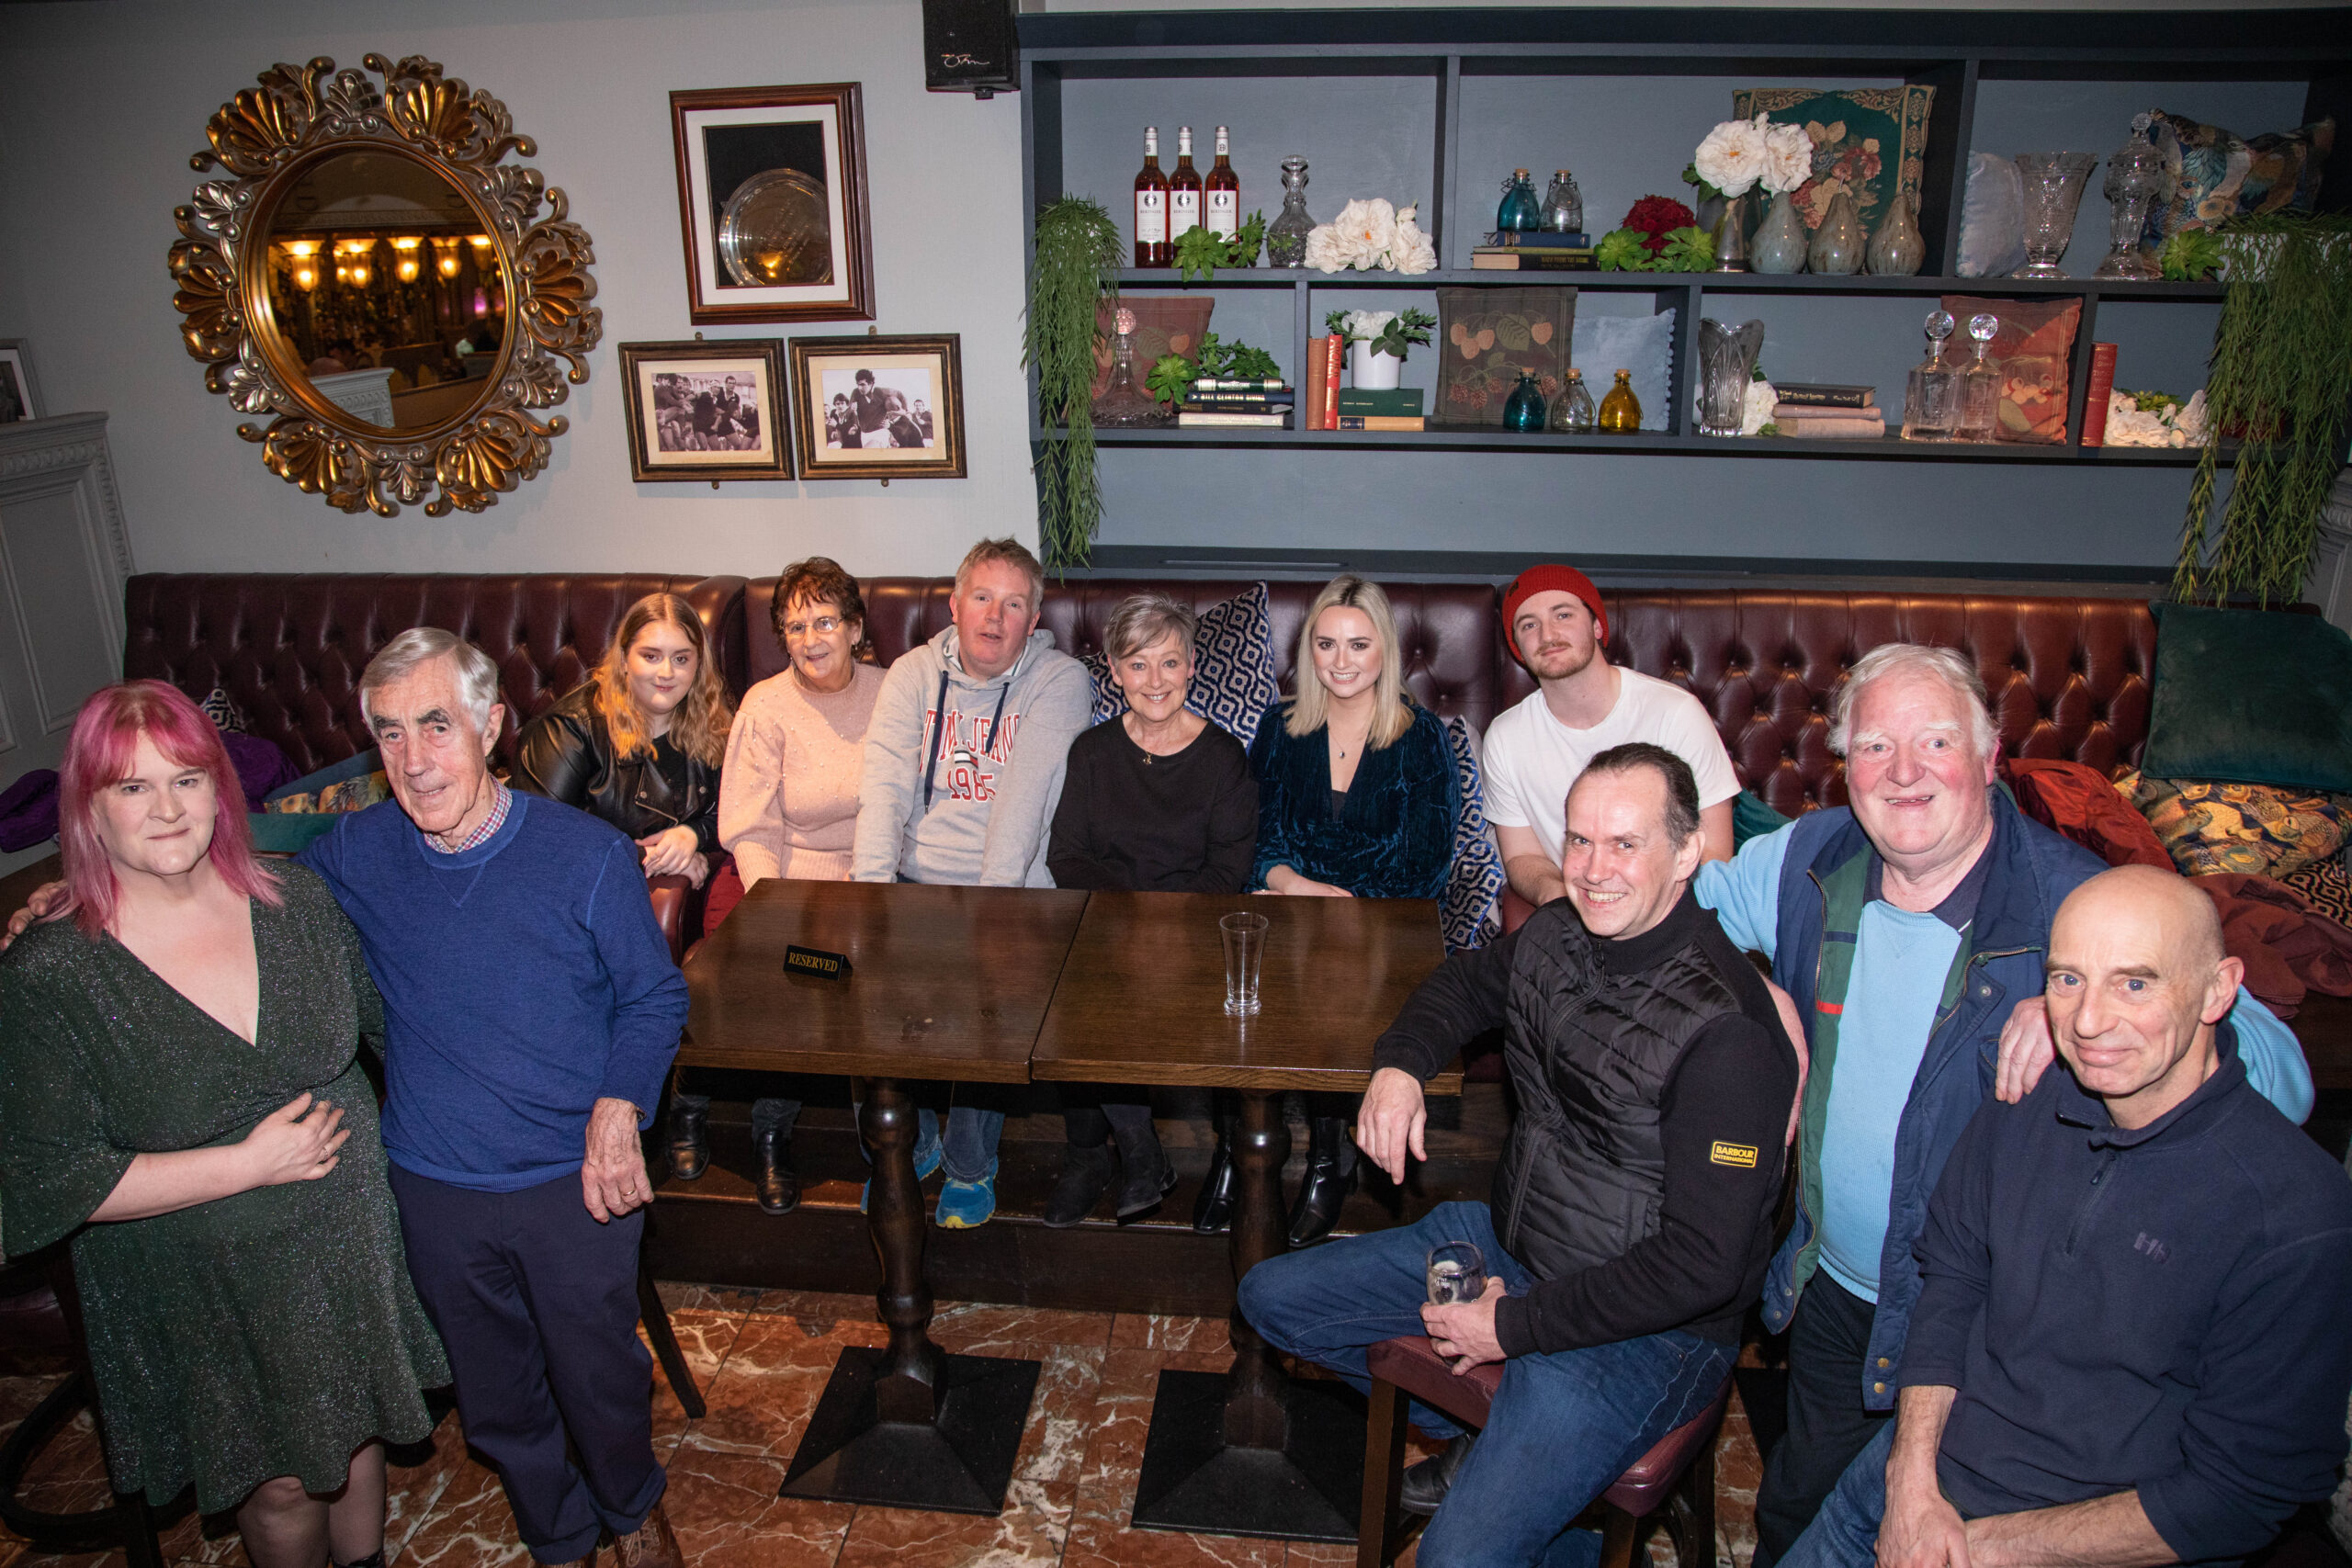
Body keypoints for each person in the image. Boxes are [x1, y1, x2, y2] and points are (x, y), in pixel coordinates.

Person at [1692, 642, 2314, 1567]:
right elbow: (1675, 913)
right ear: (1841, 767)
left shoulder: (2083, 903)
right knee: (1800, 1512)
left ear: (1988, 761)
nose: (1902, 774)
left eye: (1934, 742)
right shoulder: (1805, 858)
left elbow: (2287, 1080)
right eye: (1872, 748)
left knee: (1947, 1534)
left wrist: (2089, 1005)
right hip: (1833, 1285)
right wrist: (1756, 994)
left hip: (1995, 1327)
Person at [1238, 744, 1798, 1568]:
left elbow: (1703, 1267)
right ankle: (1502, 1449)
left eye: (1624, 843)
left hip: (1646, 1333)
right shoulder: (1561, 935)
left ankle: (1554, 1511)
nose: (1594, 868)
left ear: (1687, 852)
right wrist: (1399, 1064)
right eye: (1578, 841)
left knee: (1453, 1560)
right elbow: (1463, 986)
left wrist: (1512, 1326)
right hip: (1513, 1242)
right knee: (1270, 1296)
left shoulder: (1730, 1035)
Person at [1782, 866, 2352, 1568]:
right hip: (1920, 1483)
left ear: (2218, 988)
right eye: (2067, 979)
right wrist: (1910, 1480)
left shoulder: (2294, 1211)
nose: (2087, 1022)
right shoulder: (2025, 1100)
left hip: (2084, 1544)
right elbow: (1952, 1279)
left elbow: (2239, 1491)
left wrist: (1981, 1546)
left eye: (2134, 982)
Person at [0, 682, 447, 1568]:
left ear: (222, 788)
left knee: (358, 1437)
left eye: (188, 779)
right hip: (200, 1278)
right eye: (132, 787)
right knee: (280, 1479)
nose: (167, 809)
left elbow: (402, 1031)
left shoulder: (296, 902)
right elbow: (50, 1183)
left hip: (345, 1244)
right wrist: (247, 1164)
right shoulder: (52, 972)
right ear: (89, 809)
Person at [853, 536, 1092, 1227]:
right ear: (954, 606)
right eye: (982, 598)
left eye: (1014, 604)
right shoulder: (910, 674)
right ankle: (912, 1139)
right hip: (914, 879)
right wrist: (868, 897)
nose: (995, 617)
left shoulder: (1059, 681)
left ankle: (968, 1159)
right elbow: (886, 789)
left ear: (1035, 616)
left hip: (1011, 889)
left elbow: (1020, 809)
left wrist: (990, 917)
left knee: (993, 996)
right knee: (856, 990)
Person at [1220, 573, 1458, 1247]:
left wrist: (1341, 903)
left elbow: (1426, 860)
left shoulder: (1420, 736)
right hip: (1291, 910)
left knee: (1335, 982)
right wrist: (1292, 883)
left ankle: (1329, 1157)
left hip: (1386, 925)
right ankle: (1237, 1148)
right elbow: (1255, 832)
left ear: (1388, 649)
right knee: (1236, 975)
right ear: (1309, 650)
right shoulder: (1281, 726)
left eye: (1359, 643)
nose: (1342, 660)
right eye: (1327, 644)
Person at [1043, 592, 1258, 1225]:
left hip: (1194, 931)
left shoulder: (1223, 759)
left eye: (1169, 662)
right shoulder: (1092, 752)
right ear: (1113, 670)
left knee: (1119, 988)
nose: (1155, 681)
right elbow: (1067, 855)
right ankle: (1105, 1151)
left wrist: (1164, 923)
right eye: (1138, 664)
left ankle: (1133, 1151)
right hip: (1110, 924)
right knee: (1076, 986)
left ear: (1193, 666)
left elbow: (1228, 869)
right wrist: (1129, 917)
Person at [707, 558, 887, 1214]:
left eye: (824, 621)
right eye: (794, 626)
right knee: (805, 976)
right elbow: (751, 826)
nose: (810, 639)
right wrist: (776, 909)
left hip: (877, 882)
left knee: (888, 975)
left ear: (855, 626)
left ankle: (888, 1135)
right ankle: (772, 1134)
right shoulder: (766, 705)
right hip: (791, 881)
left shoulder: (893, 691)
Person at [1482, 564, 1740, 906]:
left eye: (1563, 615)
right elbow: (1522, 857)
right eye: (1529, 625)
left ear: (1597, 625)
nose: (1547, 635)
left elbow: (1714, 852)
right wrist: (1570, 907)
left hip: (1669, 914)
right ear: (1518, 647)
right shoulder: (1504, 737)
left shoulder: (1675, 712)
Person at [512, 592, 729, 895]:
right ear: (625, 659)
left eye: (681, 659)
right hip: (573, 890)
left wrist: (692, 835)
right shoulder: (573, 726)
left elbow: (738, 810)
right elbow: (538, 835)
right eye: (650, 656)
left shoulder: (713, 720)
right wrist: (647, 858)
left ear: (698, 665)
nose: (666, 673)